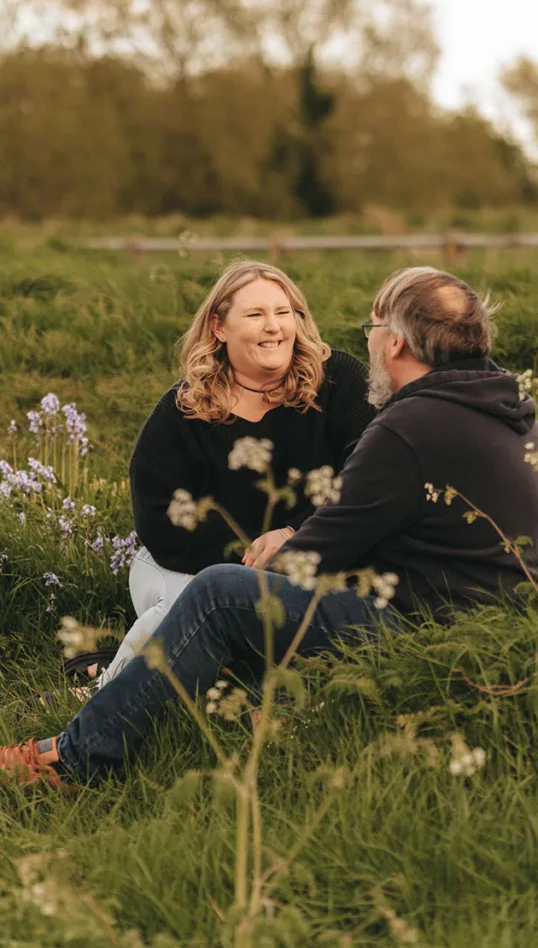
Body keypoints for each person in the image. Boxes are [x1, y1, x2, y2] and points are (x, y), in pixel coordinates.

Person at [3, 265, 538, 787]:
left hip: (425, 633)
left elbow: (316, 553)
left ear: (395, 343)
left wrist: (256, 566)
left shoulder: (408, 425)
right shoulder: (512, 407)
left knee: (218, 595)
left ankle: (75, 759)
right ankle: (265, 701)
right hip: (498, 634)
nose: (370, 343)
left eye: (373, 329)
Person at [91, 258, 373, 689]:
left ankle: (112, 676)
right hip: (178, 562)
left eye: (284, 313)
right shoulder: (185, 409)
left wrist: (295, 533)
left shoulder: (339, 380)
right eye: (256, 315)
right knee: (191, 601)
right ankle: (101, 695)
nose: (274, 327)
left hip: (307, 557)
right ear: (219, 328)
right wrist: (232, 571)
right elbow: (156, 514)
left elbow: (368, 472)